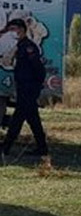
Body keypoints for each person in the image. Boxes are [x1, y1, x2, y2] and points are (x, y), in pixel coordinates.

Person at [0, 18, 49, 158]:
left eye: (13, 29)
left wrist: (35, 87)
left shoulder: (29, 47)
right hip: (23, 87)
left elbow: (39, 69)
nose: (11, 32)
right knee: (33, 119)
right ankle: (42, 148)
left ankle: (6, 146)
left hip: (28, 88)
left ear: (21, 29)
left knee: (18, 118)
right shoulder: (19, 46)